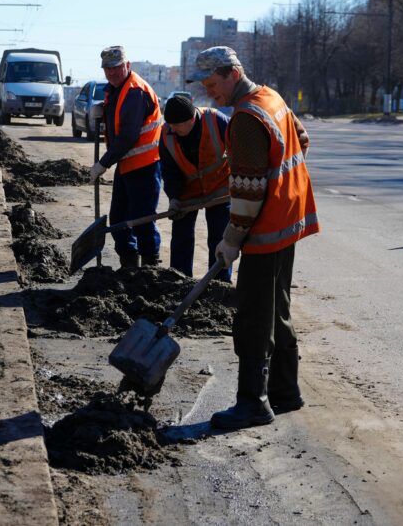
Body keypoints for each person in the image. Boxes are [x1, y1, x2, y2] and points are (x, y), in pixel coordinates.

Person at [187, 45, 317, 430]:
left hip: (265, 229)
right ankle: (285, 392)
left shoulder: (244, 119)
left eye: (213, 84)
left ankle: (253, 403)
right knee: (278, 307)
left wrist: (230, 238)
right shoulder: (271, 97)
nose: (210, 93)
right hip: (290, 220)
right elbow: (302, 140)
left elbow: (247, 194)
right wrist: (270, 178)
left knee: (252, 319)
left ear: (231, 73)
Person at [88, 45, 163, 268]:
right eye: (107, 68)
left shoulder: (134, 92)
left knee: (142, 219)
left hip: (145, 166)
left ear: (127, 65)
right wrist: (104, 109)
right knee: (119, 218)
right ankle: (129, 265)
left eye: (116, 67)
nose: (111, 72)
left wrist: (102, 164)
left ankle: (150, 268)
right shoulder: (117, 89)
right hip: (128, 164)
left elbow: (128, 136)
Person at [158, 94, 232, 282]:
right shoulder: (167, 133)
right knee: (181, 238)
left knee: (219, 239)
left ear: (191, 120)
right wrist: (174, 197)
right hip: (187, 191)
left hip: (220, 189)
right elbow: (169, 170)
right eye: (170, 125)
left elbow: (240, 150)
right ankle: (179, 282)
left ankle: (219, 284)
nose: (172, 129)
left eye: (176, 126)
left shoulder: (217, 120)